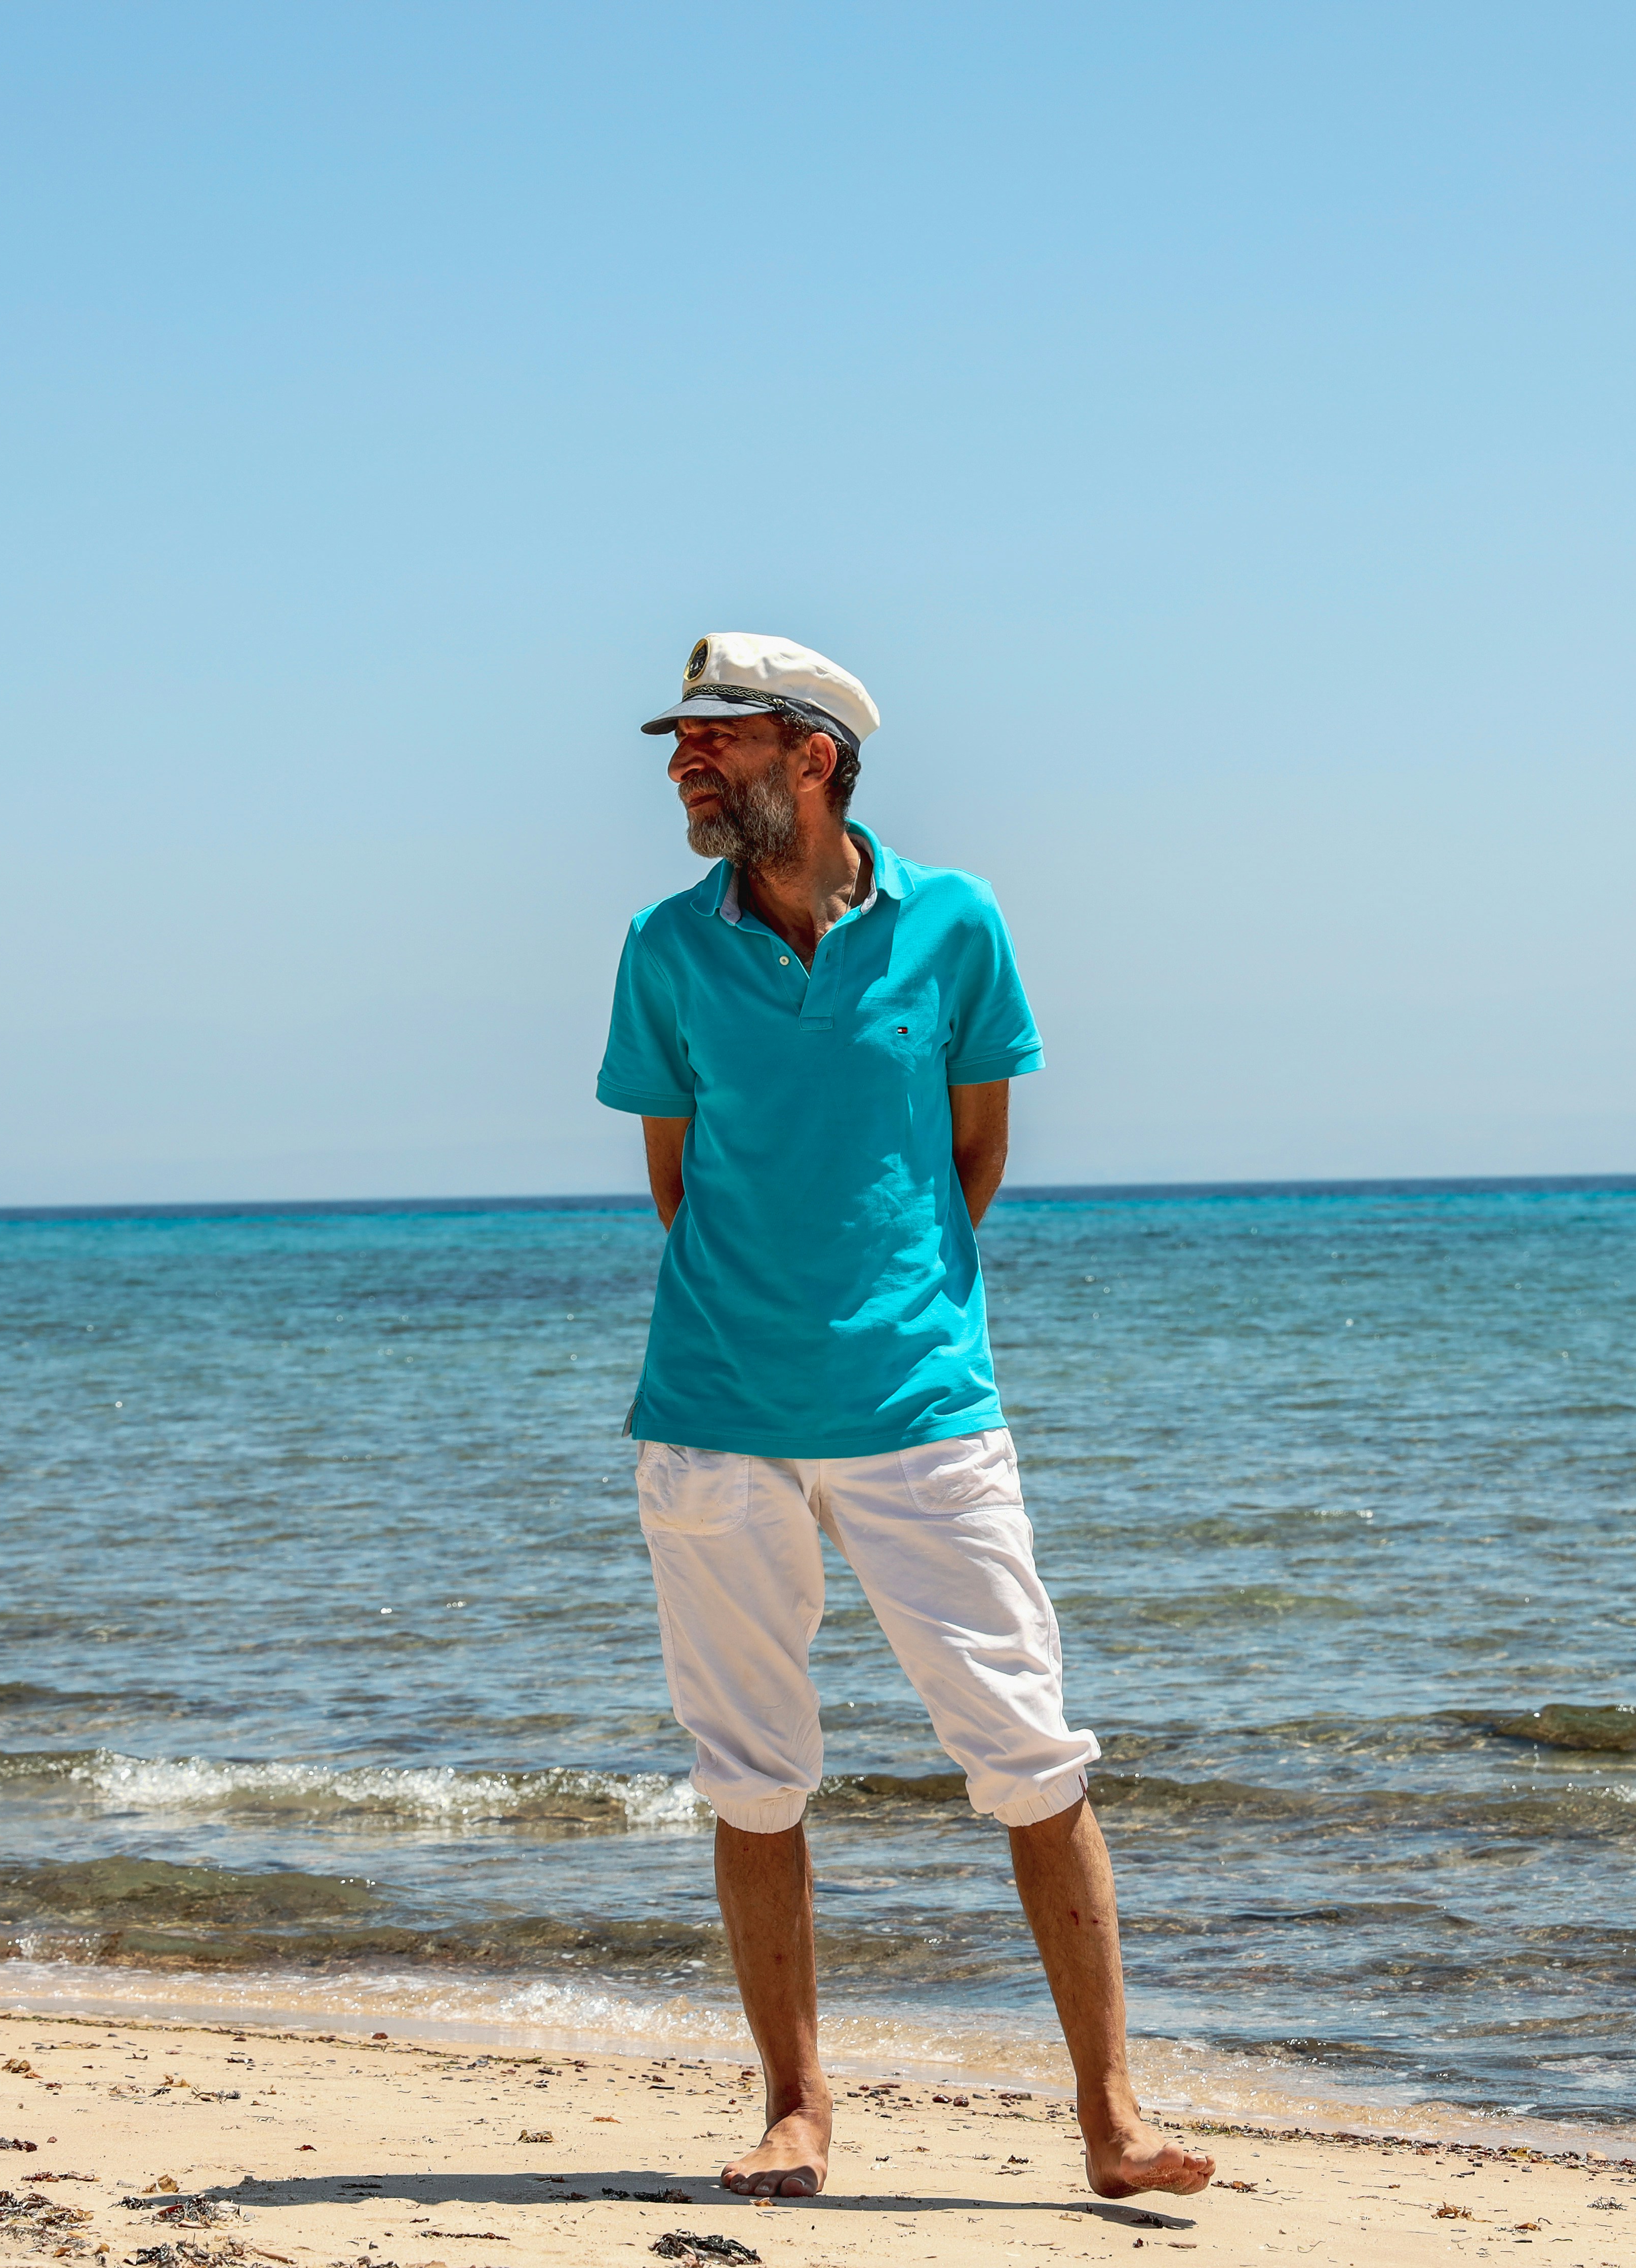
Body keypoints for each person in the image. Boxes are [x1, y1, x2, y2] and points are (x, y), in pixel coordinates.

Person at [594, 633, 1215, 2205]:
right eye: (679, 742)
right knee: (751, 1771)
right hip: (713, 1418)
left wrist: (885, 1310)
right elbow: (678, 1187)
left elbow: (974, 1161)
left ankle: (1112, 2119)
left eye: (715, 741)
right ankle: (797, 2110)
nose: (683, 764)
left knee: (1027, 1745)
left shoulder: (958, 927)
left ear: (812, 755)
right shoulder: (664, 952)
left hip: (925, 1409)